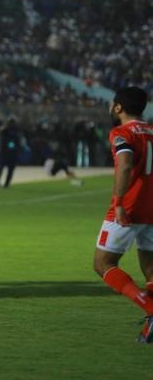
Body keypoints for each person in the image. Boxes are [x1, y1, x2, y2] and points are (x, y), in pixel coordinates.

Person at [93, 86, 153, 344]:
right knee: (150, 268)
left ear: (118, 107)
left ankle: (151, 309)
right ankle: (150, 329)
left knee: (103, 264)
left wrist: (118, 202)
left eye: (112, 104)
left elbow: (125, 164)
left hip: (129, 207)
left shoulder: (122, 133)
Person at [0, 116, 20, 188]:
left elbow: (17, 142)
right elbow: (4, 140)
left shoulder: (16, 131)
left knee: (9, 169)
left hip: (11, 153)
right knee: (1, 168)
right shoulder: (5, 131)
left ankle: (6, 184)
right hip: (5, 152)